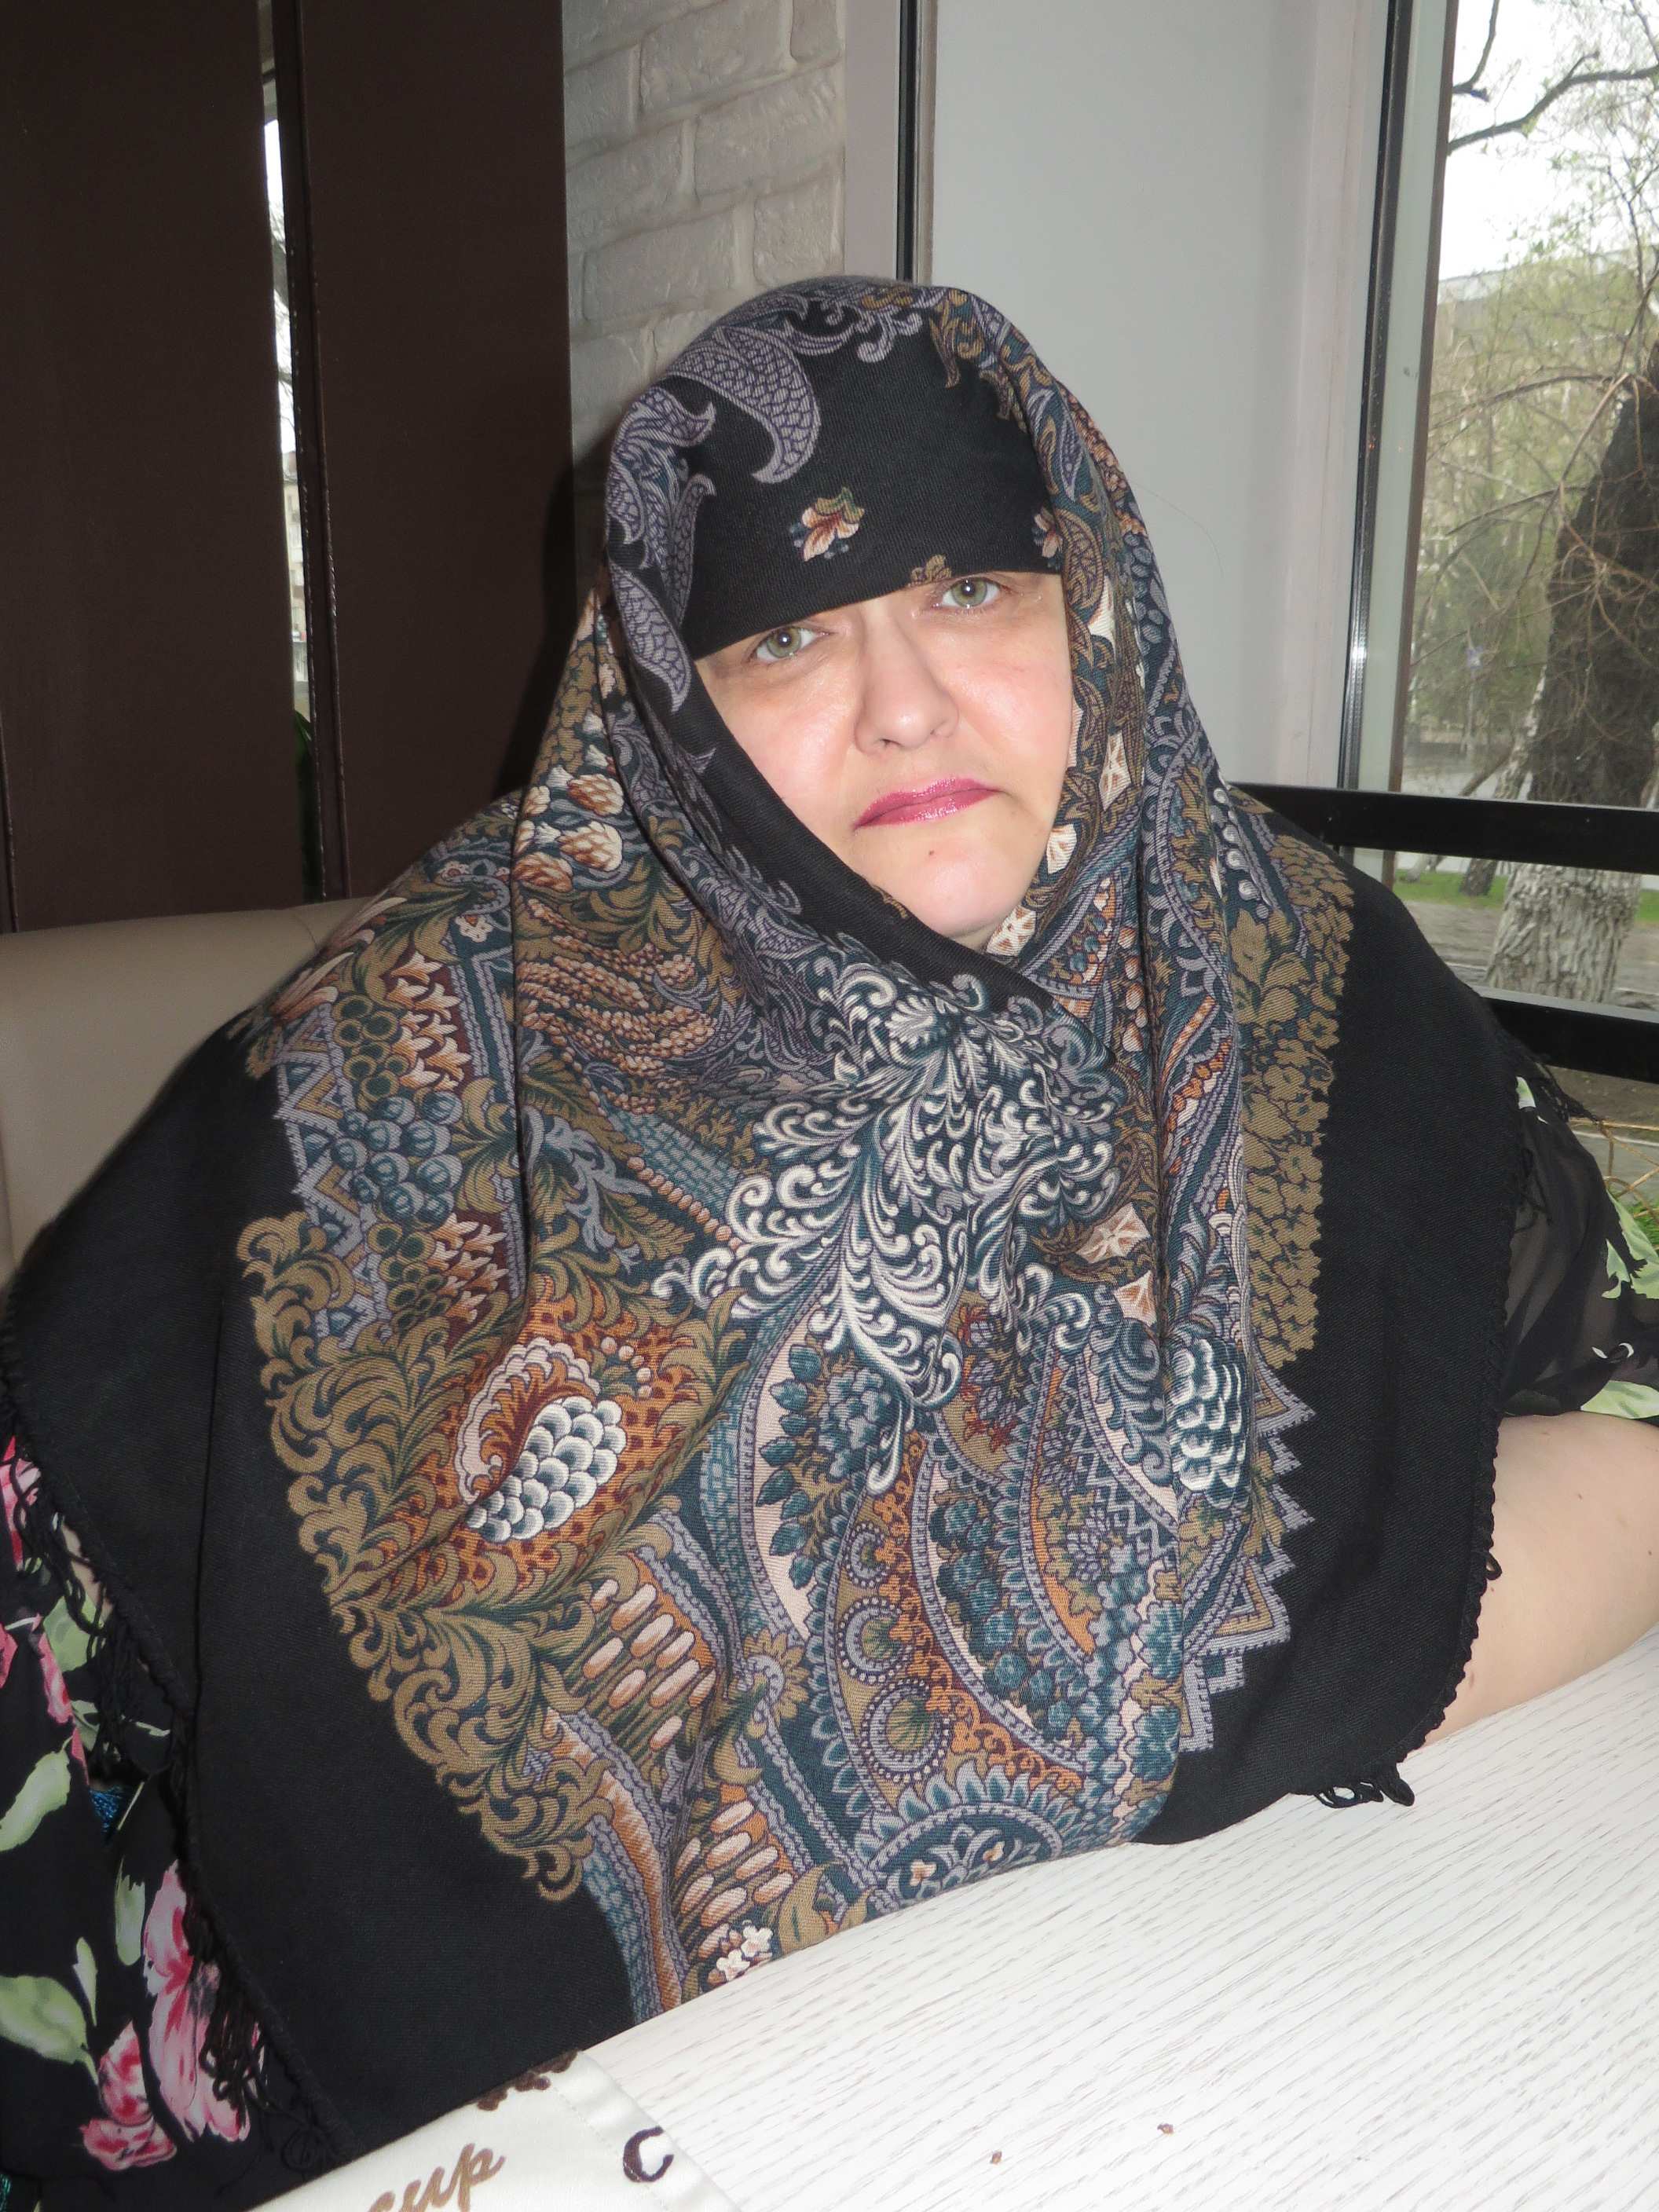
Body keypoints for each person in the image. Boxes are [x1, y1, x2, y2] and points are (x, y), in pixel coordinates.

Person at [2, 276, 1655, 2208]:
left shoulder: (1308, 977)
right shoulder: (378, 1084)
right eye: (787, 634)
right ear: (669, 694)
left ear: (1093, 597)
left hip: (1269, 2055)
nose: (904, 703)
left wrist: (1250, 1695)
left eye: (974, 589)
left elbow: (1626, 1414)